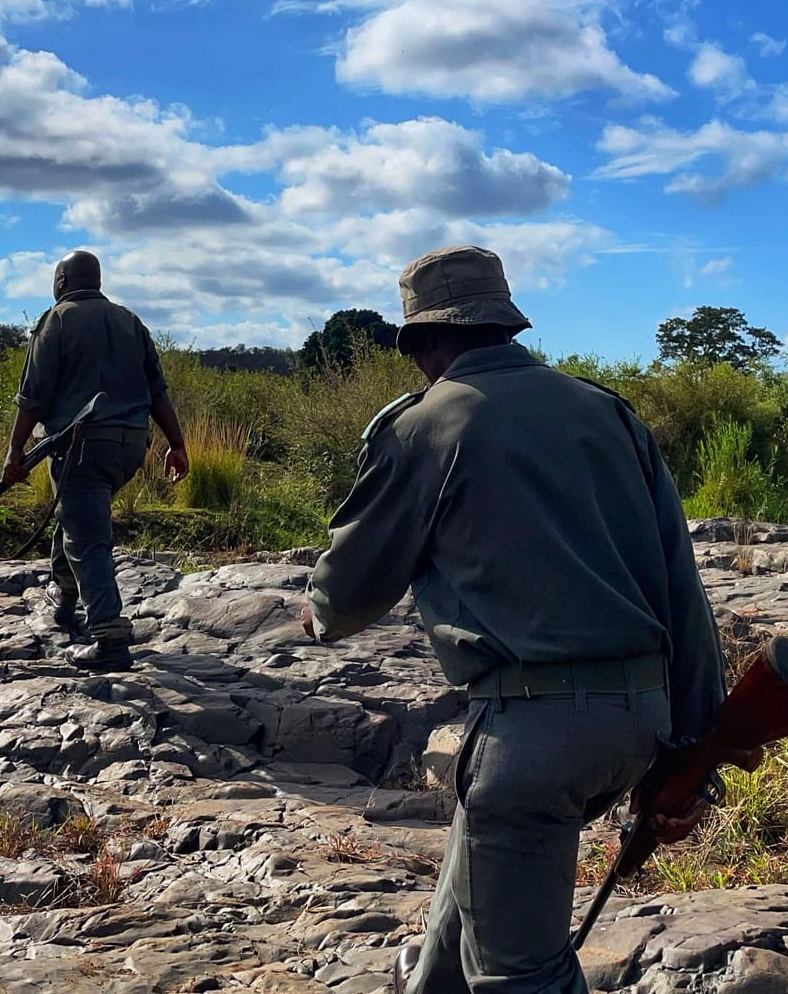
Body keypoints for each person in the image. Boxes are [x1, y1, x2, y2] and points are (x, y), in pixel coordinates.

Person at [301, 245, 728, 993]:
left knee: (520, 977)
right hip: (639, 720)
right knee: (450, 947)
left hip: (528, 742)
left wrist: (313, 616)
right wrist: (694, 758)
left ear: (421, 341)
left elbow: (343, 599)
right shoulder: (608, 411)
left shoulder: (424, 425)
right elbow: (683, 593)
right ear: (505, 324)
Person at [3, 249, 188, 670]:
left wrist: (14, 451)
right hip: (128, 449)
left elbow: (32, 397)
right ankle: (65, 593)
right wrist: (176, 445)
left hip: (81, 447)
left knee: (88, 539)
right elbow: (157, 391)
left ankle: (108, 638)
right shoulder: (130, 322)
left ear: (63, 282)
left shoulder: (57, 320)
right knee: (77, 515)